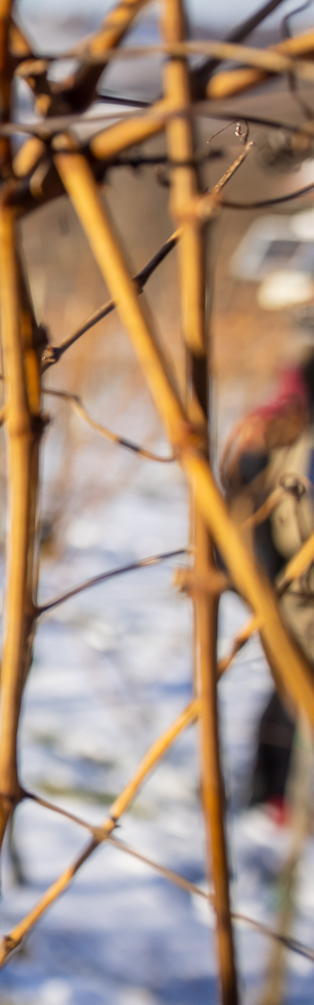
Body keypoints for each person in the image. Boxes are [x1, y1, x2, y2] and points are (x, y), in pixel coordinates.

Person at [223, 351, 314, 819]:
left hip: (286, 588)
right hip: (289, 592)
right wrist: (264, 594)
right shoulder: (272, 432)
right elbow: (241, 522)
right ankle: (276, 797)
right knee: (291, 690)